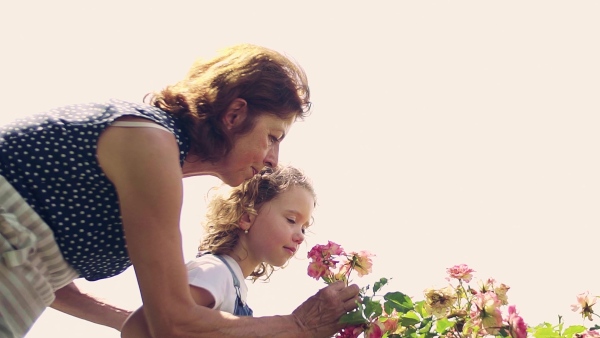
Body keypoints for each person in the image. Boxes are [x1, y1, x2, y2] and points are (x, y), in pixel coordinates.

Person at [0, 44, 360, 338]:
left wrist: (144, 318)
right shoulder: (151, 143)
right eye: (272, 138)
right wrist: (297, 326)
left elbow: (56, 280)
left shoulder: (159, 157)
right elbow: (173, 323)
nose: (273, 161)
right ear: (234, 115)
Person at [121, 165, 317, 337]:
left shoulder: (234, 286)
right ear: (248, 216)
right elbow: (140, 327)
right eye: (291, 220)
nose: (300, 236)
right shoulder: (217, 272)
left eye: (304, 227)